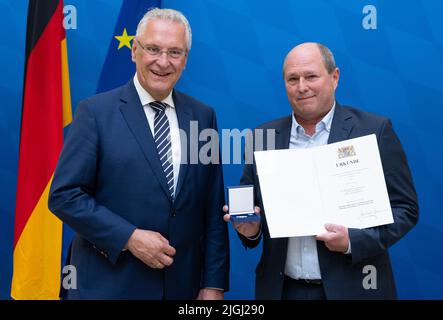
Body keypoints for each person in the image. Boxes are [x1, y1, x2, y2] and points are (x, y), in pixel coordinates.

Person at [49, 8, 229, 300]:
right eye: (153, 49)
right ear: (134, 50)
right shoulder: (95, 113)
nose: (163, 61)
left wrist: (213, 284)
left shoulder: (202, 117)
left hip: (181, 289)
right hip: (109, 287)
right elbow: (65, 196)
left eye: (175, 52)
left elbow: (212, 208)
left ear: (185, 60)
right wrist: (129, 237)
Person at [224, 42, 418, 300]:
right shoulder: (263, 137)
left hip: (355, 290)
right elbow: (254, 212)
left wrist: (352, 241)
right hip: (283, 290)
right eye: (293, 79)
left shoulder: (374, 130)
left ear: (334, 77)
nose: (302, 87)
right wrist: (251, 230)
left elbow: (405, 209)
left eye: (311, 76)